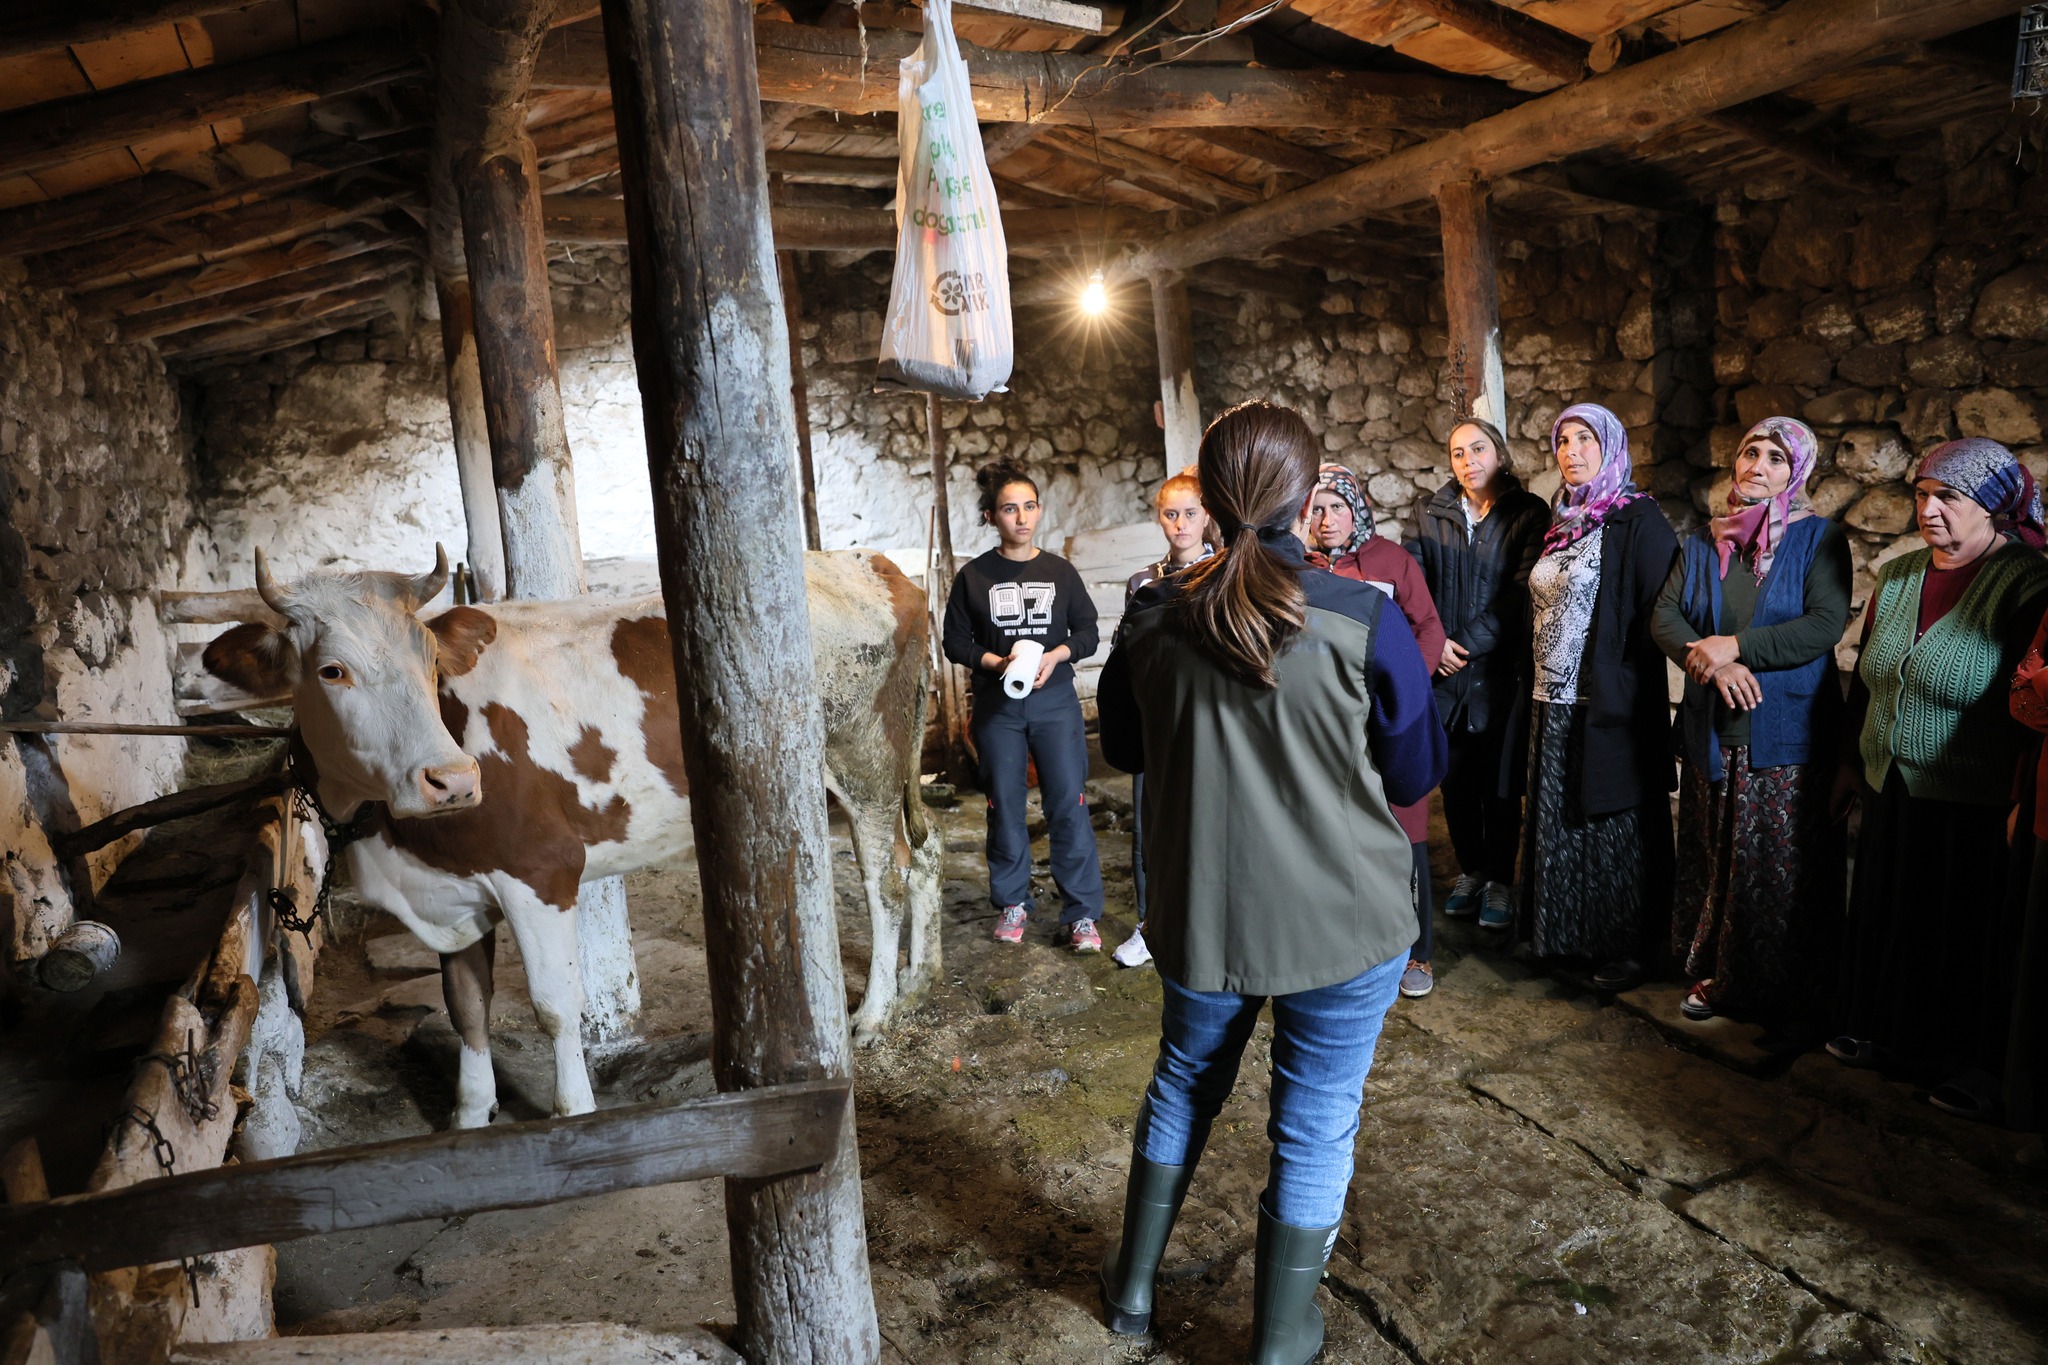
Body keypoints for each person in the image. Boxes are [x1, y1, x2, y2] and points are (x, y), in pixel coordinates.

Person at [1094, 402, 1445, 1364]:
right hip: (1344, 921)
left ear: (1204, 495)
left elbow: (1124, 748)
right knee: (1316, 1117)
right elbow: (1414, 775)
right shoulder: (1362, 616)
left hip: (1204, 912)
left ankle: (1130, 1289)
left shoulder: (1153, 619)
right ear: (1313, 485)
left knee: (1182, 1085)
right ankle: (1282, 1338)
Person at [1831, 438, 2048, 1116]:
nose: (1929, 510)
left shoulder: (2026, 583)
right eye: (1922, 495)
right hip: (1889, 776)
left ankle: (1956, 1058)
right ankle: (1884, 1033)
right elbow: (1866, 682)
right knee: (1887, 910)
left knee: (1956, 929)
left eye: (1948, 498)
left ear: (1990, 508)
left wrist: (2019, 795)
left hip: (1971, 795)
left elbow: (2026, 707)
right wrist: (1847, 765)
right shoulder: (1898, 578)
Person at [1650, 417, 1852, 1024]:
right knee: (1720, 859)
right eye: (1748, 454)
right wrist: (1712, 664)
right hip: (1716, 730)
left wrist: (1734, 647)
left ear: (1798, 472)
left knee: (1775, 869)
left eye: (1775, 459)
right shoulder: (1704, 544)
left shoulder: (1819, 540)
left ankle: (1788, 987)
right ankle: (1722, 972)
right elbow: (1665, 618)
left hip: (1785, 735)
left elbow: (1822, 625)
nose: (1756, 467)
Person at [1513, 402, 1679, 992]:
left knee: (1613, 823)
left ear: (1610, 448)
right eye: (1563, 441)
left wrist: (1620, 689)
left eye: (1586, 439)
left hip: (1606, 703)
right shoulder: (1559, 523)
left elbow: (1657, 616)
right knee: (1560, 816)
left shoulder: (1639, 520)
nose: (1572, 451)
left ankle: (1627, 947)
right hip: (1548, 698)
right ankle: (1563, 934)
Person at [942, 457, 1107, 951]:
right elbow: (955, 642)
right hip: (999, 709)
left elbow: (1088, 633)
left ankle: (1081, 914)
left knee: (1069, 804)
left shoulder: (1060, 572)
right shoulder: (973, 577)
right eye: (1009, 509)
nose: (1022, 517)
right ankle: (1013, 902)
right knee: (1005, 805)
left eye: (1029, 506)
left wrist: (1055, 656)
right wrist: (994, 661)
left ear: (1039, 511)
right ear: (991, 516)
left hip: (1054, 703)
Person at [1309, 463, 1447, 1000]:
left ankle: (1419, 953)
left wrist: (1409, 684)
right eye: (1317, 509)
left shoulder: (1390, 561)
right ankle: (1348, 941)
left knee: (1406, 828)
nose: (1326, 519)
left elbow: (1428, 625)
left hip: (1385, 717)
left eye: (1337, 507)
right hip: (1332, 722)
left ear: (1356, 509)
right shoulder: (1299, 567)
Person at [1410, 417, 1549, 934]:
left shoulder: (1528, 512)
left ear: (1500, 454)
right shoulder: (1430, 511)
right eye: (1458, 453)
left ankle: (1500, 881)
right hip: (1443, 674)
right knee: (1457, 781)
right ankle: (1470, 871)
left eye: (1479, 449)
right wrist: (1435, 643)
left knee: (1499, 783)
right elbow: (1413, 581)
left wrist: (1462, 644)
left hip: (1499, 672)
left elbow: (1521, 590)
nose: (1469, 461)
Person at [1116, 469, 1213, 969]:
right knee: (1150, 825)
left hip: (1208, 719)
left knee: (1206, 819)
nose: (1180, 524)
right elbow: (1127, 652)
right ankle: (1150, 925)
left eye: (1189, 513)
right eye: (1170, 514)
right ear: (1159, 518)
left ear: (1207, 516)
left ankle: (1210, 920)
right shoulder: (1142, 583)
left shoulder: (1222, 574)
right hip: (1155, 720)